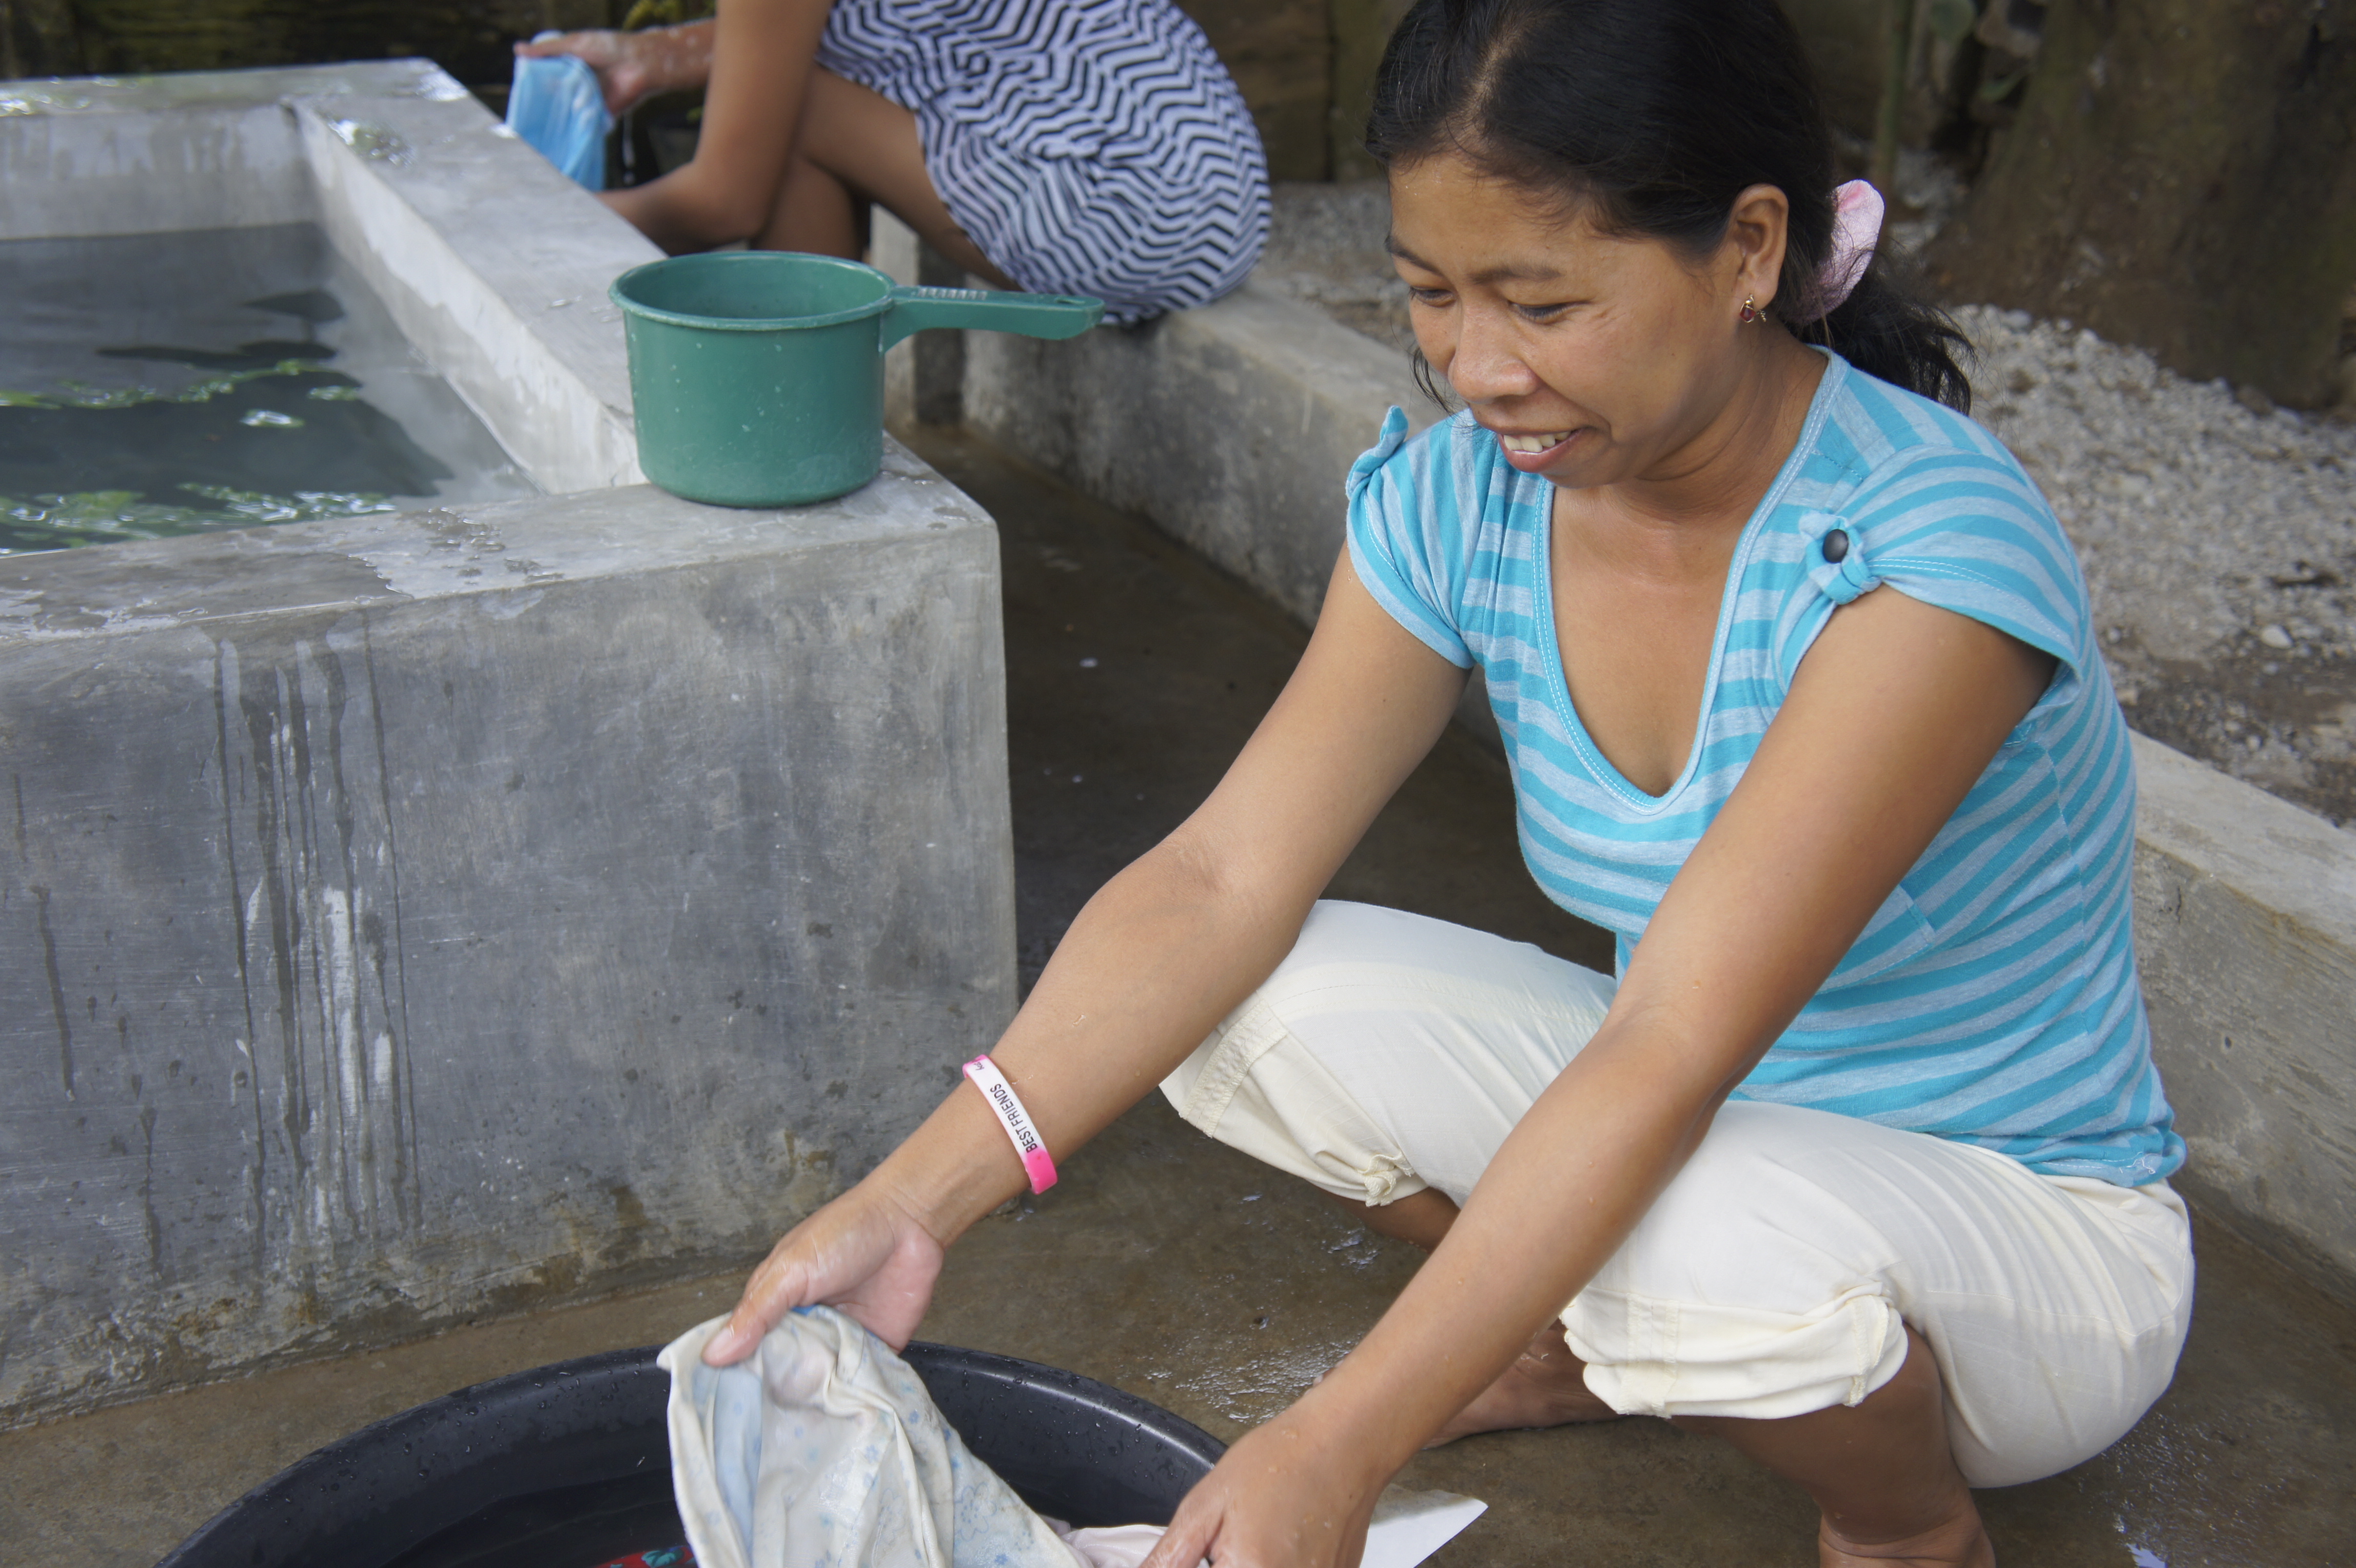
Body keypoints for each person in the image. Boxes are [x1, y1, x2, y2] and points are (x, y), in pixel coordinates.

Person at [692, 1, 2194, 1562]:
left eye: (1542, 303)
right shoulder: (1463, 499)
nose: (1478, 369)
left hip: (2026, 1244)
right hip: (1703, 1127)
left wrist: (1337, 1446)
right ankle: (1604, 1343)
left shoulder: (1923, 564)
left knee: (1703, 1237)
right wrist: (912, 1200)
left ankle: (1904, 1525)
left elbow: (1675, 1041)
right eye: (1430, 295)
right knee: (1233, 992)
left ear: (1750, 250)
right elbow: (1219, 879)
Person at [518, 0, 1268, 324]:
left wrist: (529, 218)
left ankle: (810, 414)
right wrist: (653, 55)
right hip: (1211, 187)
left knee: (791, 121)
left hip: (1120, 198)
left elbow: (720, 204)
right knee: (788, 102)